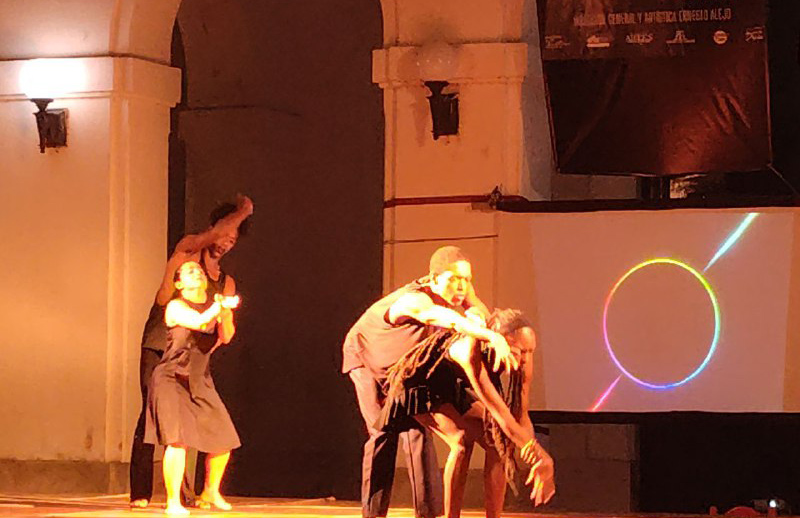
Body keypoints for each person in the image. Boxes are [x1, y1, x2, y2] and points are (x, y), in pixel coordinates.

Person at [376, 247, 555, 518]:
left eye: (530, 352)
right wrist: (538, 453)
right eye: (518, 351)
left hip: (450, 384)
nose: (523, 358)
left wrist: (534, 457)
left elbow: (520, 414)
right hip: (419, 384)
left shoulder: (522, 357)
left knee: (497, 441)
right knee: (461, 440)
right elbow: (498, 411)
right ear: (499, 342)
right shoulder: (470, 350)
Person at [129, 195, 253, 508]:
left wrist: (223, 318)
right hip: (161, 348)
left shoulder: (224, 282)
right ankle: (143, 492)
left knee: (199, 424)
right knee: (158, 419)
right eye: (224, 234)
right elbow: (194, 316)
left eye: (233, 240)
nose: (225, 242)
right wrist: (243, 211)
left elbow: (225, 331)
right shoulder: (187, 256)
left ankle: (197, 492)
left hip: (194, 360)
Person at [145, 261, 242, 516]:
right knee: (177, 441)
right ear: (179, 284)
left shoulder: (212, 306)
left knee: (224, 437)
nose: (196, 273)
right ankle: (173, 502)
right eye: (189, 271)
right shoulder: (175, 307)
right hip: (171, 378)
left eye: (199, 271)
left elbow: (226, 336)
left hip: (199, 378)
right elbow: (198, 323)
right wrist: (219, 306)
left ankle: (210, 490)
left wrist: (226, 314)